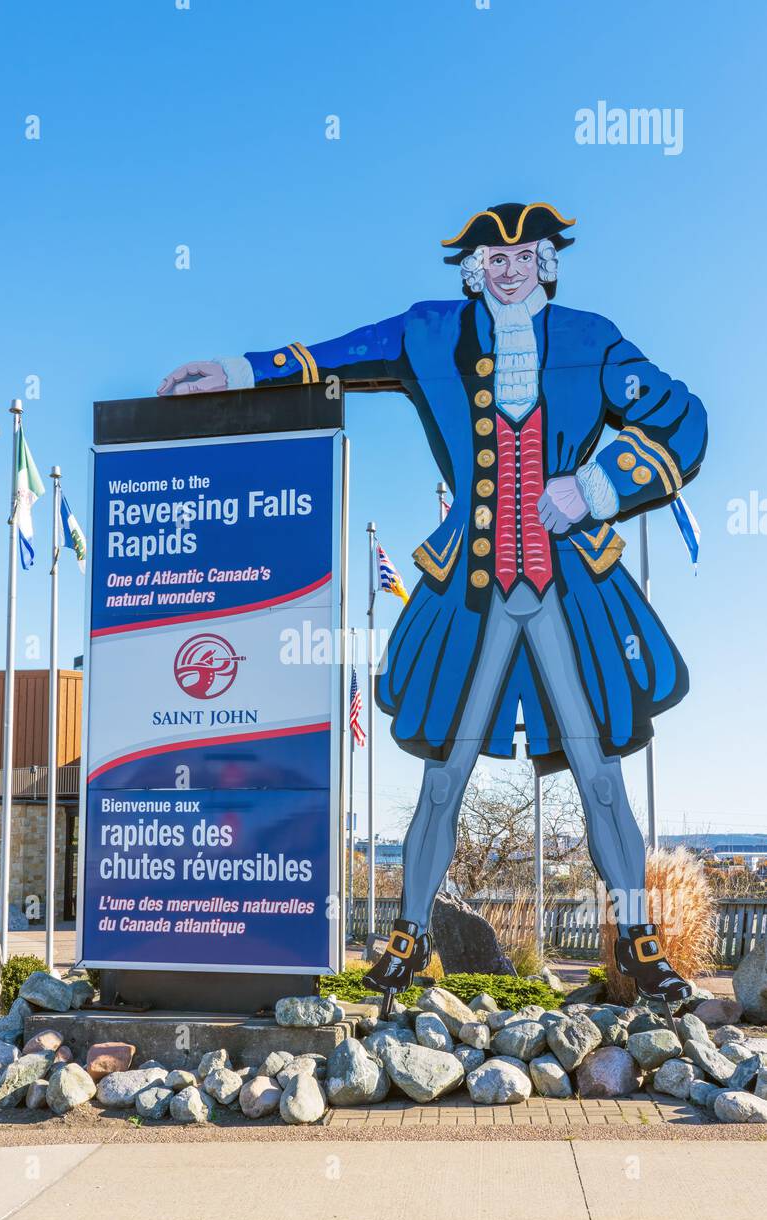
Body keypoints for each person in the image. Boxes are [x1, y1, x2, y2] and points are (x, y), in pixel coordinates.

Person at [158, 200, 708, 1016]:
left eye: (525, 254)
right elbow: (336, 355)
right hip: (474, 586)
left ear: (548, 263)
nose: (509, 267)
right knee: (442, 775)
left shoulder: (593, 339)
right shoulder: (429, 333)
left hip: (567, 583)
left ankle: (639, 940)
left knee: (599, 774)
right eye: (493, 256)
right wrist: (237, 370)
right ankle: (407, 939)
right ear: (472, 268)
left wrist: (594, 488)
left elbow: (684, 421)